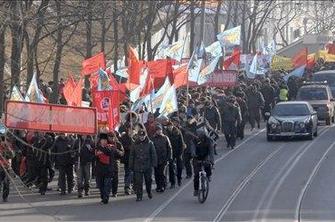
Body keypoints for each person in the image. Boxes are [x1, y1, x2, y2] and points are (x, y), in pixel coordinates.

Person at [95, 133, 124, 204]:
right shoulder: (96, 148)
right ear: (100, 141)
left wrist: (117, 151)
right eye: (102, 140)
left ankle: (105, 198)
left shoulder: (110, 147)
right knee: (101, 185)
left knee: (107, 185)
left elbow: (119, 154)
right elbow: (92, 157)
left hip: (108, 169)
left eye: (105, 140)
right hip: (99, 170)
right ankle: (103, 197)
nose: (104, 141)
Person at [129, 129, 157, 201]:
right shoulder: (134, 144)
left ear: (145, 136)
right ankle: (139, 196)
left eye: (143, 136)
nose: (142, 137)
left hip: (147, 165)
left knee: (148, 180)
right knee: (138, 182)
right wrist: (131, 165)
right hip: (137, 165)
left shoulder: (150, 143)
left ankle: (149, 191)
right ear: (138, 136)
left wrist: (154, 163)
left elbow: (153, 154)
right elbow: (132, 155)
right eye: (140, 136)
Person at [192, 129, 214, 197]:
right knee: (196, 175)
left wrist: (212, 160)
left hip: (205, 156)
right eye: (198, 135)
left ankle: (209, 175)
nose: (199, 136)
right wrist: (194, 154)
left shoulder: (209, 140)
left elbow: (211, 151)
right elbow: (192, 148)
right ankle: (196, 189)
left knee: (207, 165)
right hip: (197, 157)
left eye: (200, 135)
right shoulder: (194, 140)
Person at [151, 124, 172, 193]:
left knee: (162, 173)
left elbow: (169, 148)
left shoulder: (165, 138)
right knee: (156, 173)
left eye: (160, 130)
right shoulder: (153, 139)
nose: (159, 131)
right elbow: (151, 149)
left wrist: (169, 157)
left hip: (164, 159)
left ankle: (163, 185)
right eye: (157, 130)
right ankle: (158, 186)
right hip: (156, 159)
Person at [165, 121, 185, 188]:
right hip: (170, 153)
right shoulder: (166, 133)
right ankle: (172, 182)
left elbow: (182, 143)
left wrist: (180, 153)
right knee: (171, 168)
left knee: (179, 167)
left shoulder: (178, 132)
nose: (169, 127)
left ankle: (179, 179)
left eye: (170, 126)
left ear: (172, 126)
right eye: (168, 126)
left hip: (178, 152)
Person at [107, 131, 124, 197]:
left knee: (115, 178)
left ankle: (115, 192)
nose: (111, 139)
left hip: (115, 163)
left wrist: (115, 150)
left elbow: (122, 153)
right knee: (107, 178)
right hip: (107, 163)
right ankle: (107, 191)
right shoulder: (105, 143)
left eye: (112, 137)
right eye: (109, 137)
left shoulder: (118, 144)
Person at [0, 135, 14, 202]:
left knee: (6, 183)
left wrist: (8, 148)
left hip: (6, 168)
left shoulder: (7, 147)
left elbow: (12, 156)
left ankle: (5, 197)